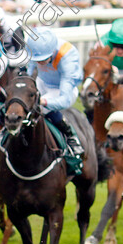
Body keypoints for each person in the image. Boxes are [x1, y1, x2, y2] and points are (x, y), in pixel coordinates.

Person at [23, 27, 85, 157]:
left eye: (42, 59)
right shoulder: (35, 49)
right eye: (36, 59)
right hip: (42, 82)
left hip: (63, 89)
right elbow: (29, 74)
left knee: (37, 108)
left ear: (52, 52)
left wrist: (43, 101)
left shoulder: (67, 56)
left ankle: (71, 136)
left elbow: (65, 99)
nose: (39, 63)